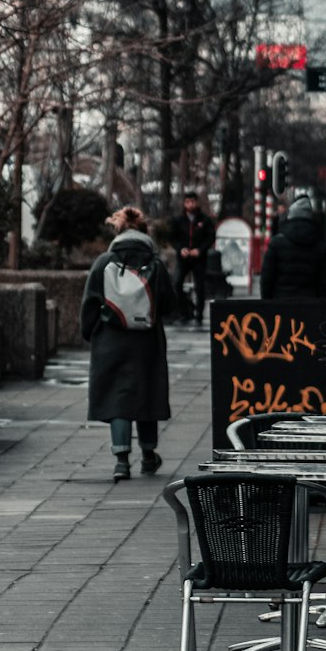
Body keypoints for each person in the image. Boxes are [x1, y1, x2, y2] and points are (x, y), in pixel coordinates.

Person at [80, 206, 176, 481]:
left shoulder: (103, 262)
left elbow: (89, 303)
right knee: (146, 395)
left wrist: (91, 332)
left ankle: (121, 460)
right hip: (147, 342)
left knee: (117, 397)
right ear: (145, 231)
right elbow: (170, 303)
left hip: (111, 340)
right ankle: (148, 455)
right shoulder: (155, 264)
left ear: (118, 231)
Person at [259, 194, 326, 300]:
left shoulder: (276, 243)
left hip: (280, 303)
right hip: (310, 304)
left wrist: (267, 302)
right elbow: (323, 282)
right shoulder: (319, 246)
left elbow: (267, 278)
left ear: (290, 217)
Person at [170, 190, 215, 325]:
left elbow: (210, 237)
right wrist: (180, 249)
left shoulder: (204, 220)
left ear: (197, 203)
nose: (190, 205)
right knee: (176, 284)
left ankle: (199, 314)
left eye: (193, 202)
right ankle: (184, 311)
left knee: (199, 286)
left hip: (198, 258)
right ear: (184, 204)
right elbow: (173, 237)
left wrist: (200, 250)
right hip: (183, 258)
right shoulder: (178, 220)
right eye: (188, 202)